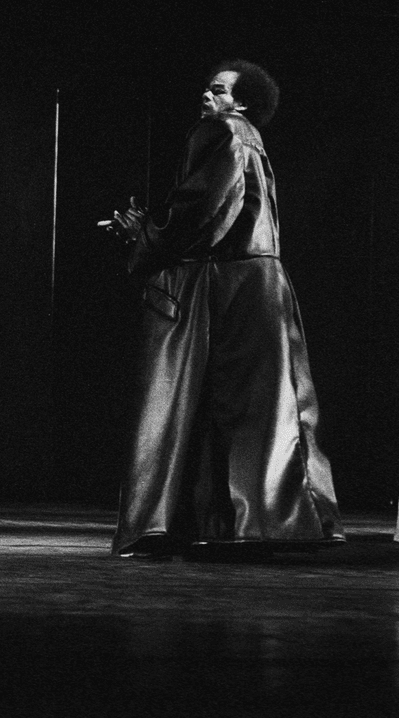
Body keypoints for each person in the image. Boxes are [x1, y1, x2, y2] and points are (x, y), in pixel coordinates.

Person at [99, 60, 342, 558]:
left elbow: (203, 209)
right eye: (207, 90)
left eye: (217, 90)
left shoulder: (224, 132)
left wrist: (146, 234)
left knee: (228, 402)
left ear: (241, 100)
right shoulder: (249, 136)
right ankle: (265, 521)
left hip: (236, 282)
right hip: (256, 280)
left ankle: (255, 523)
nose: (206, 98)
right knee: (259, 404)